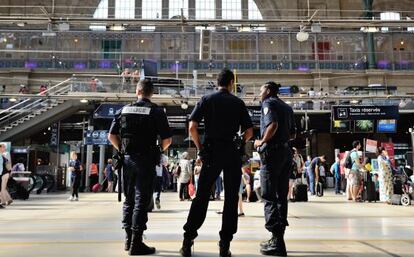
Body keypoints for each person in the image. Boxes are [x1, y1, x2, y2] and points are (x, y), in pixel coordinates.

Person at [180, 68, 253, 257]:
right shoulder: (238, 102)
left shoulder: (206, 100)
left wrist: (201, 149)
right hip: (231, 153)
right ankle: (224, 245)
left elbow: (192, 127)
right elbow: (249, 131)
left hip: (211, 152)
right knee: (230, 198)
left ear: (217, 83)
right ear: (231, 83)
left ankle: (188, 241)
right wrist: (240, 143)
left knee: (202, 196)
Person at [108, 78, 172, 255]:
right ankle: (137, 242)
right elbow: (167, 140)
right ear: (151, 94)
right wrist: (158, 150)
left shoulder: (123, 110)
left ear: (137, 91)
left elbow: (111, 136)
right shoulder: (156, 112)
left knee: (128, 200)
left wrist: (122, 148)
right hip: (146, 160)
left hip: (127, 160)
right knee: (141, 201)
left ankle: (128, 240)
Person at [253, 81, 296, 256]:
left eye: (261, 89)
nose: (259, 92)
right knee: (281, 196)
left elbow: (273, 125)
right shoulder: (287, 107)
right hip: (286, 152)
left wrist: (261, 141)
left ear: (268, 90)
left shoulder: (268, 103)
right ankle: (279, 238)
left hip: (272, 153)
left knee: (269, 195)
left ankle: (276, 241)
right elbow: (293, 133)